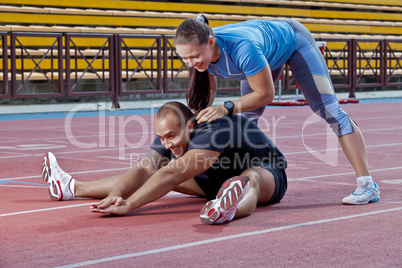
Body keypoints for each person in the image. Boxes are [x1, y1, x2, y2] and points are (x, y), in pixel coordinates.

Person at [173, 15, 379, 205]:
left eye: (194, 57)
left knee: (330, 112)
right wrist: (197, 122)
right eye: (185, 59)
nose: (191, 63)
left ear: (210, 42)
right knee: (246, 120)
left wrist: (226, 107)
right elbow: (208, 93)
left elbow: (266, 95)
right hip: (265, 51)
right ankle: (240, 179)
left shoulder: (243, 49)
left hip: (294, 41)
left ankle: (367, 185)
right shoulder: (202, 55)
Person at [41, 101, 287, 225]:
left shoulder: (215, 128)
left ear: (190, 126)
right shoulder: (170, 132)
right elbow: (144, 168)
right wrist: (117, 195)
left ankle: (228, 210)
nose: (167, 144)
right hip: (213, 182)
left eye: (171, 136)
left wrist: (128, 205)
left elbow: (173, 174)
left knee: (248, 180)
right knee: (155, 170)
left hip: (267, 173)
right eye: (162, 137)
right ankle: (71, 187)